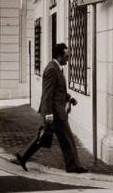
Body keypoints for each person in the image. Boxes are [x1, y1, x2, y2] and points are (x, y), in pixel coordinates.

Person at [11, 43, 88, 174]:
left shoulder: (57, 68)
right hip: (55, 113)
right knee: (66, 139)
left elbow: (58, 90)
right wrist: (48, 116)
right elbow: (47, 95)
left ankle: (22, 156)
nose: (68, 59)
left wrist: (69, 98)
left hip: (56, 111)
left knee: (44, 137)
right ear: (59, 56)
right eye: (66, 56)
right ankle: (73, 166)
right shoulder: (52, 69)